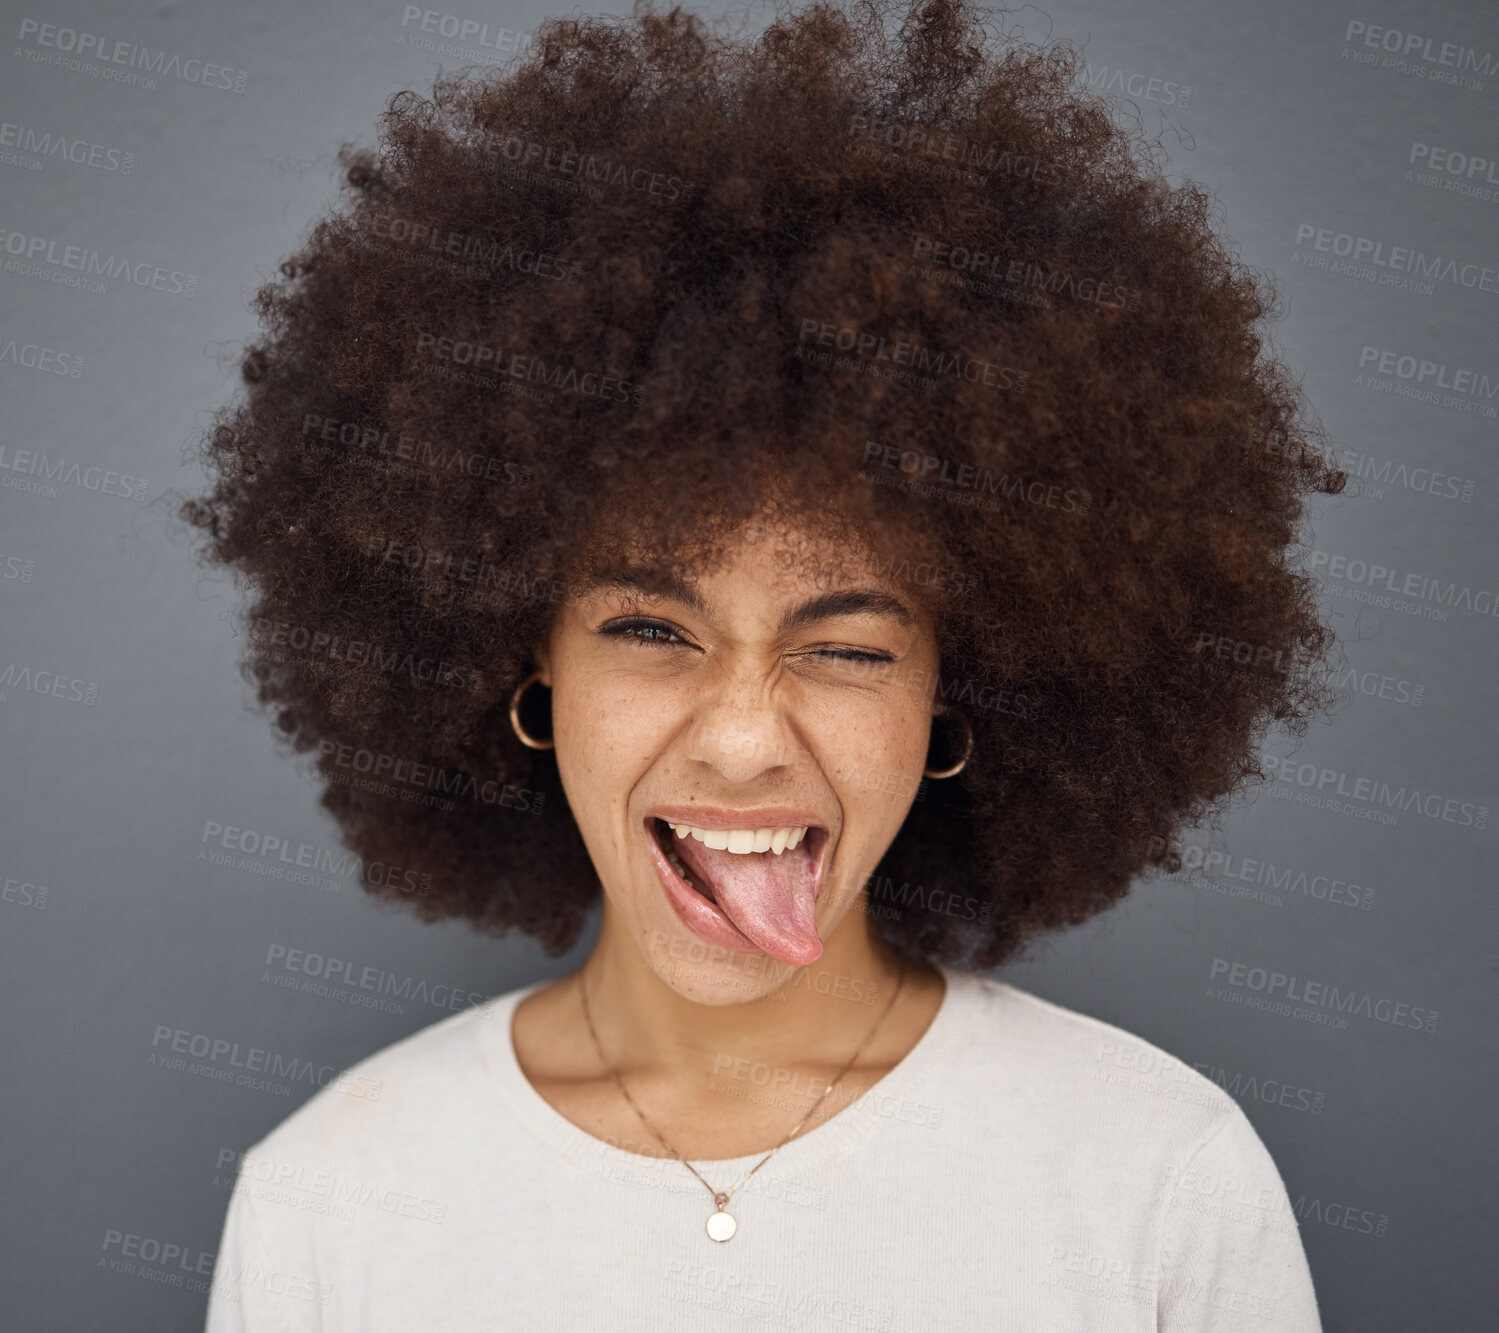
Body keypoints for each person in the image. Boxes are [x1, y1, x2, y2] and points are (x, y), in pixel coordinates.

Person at [190, 0, 1341, 1326]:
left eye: (846, 645)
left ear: (950, 691)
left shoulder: (1162, 1181)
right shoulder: (330, 1203)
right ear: (528, 662)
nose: (743, 739)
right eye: (649, 630)